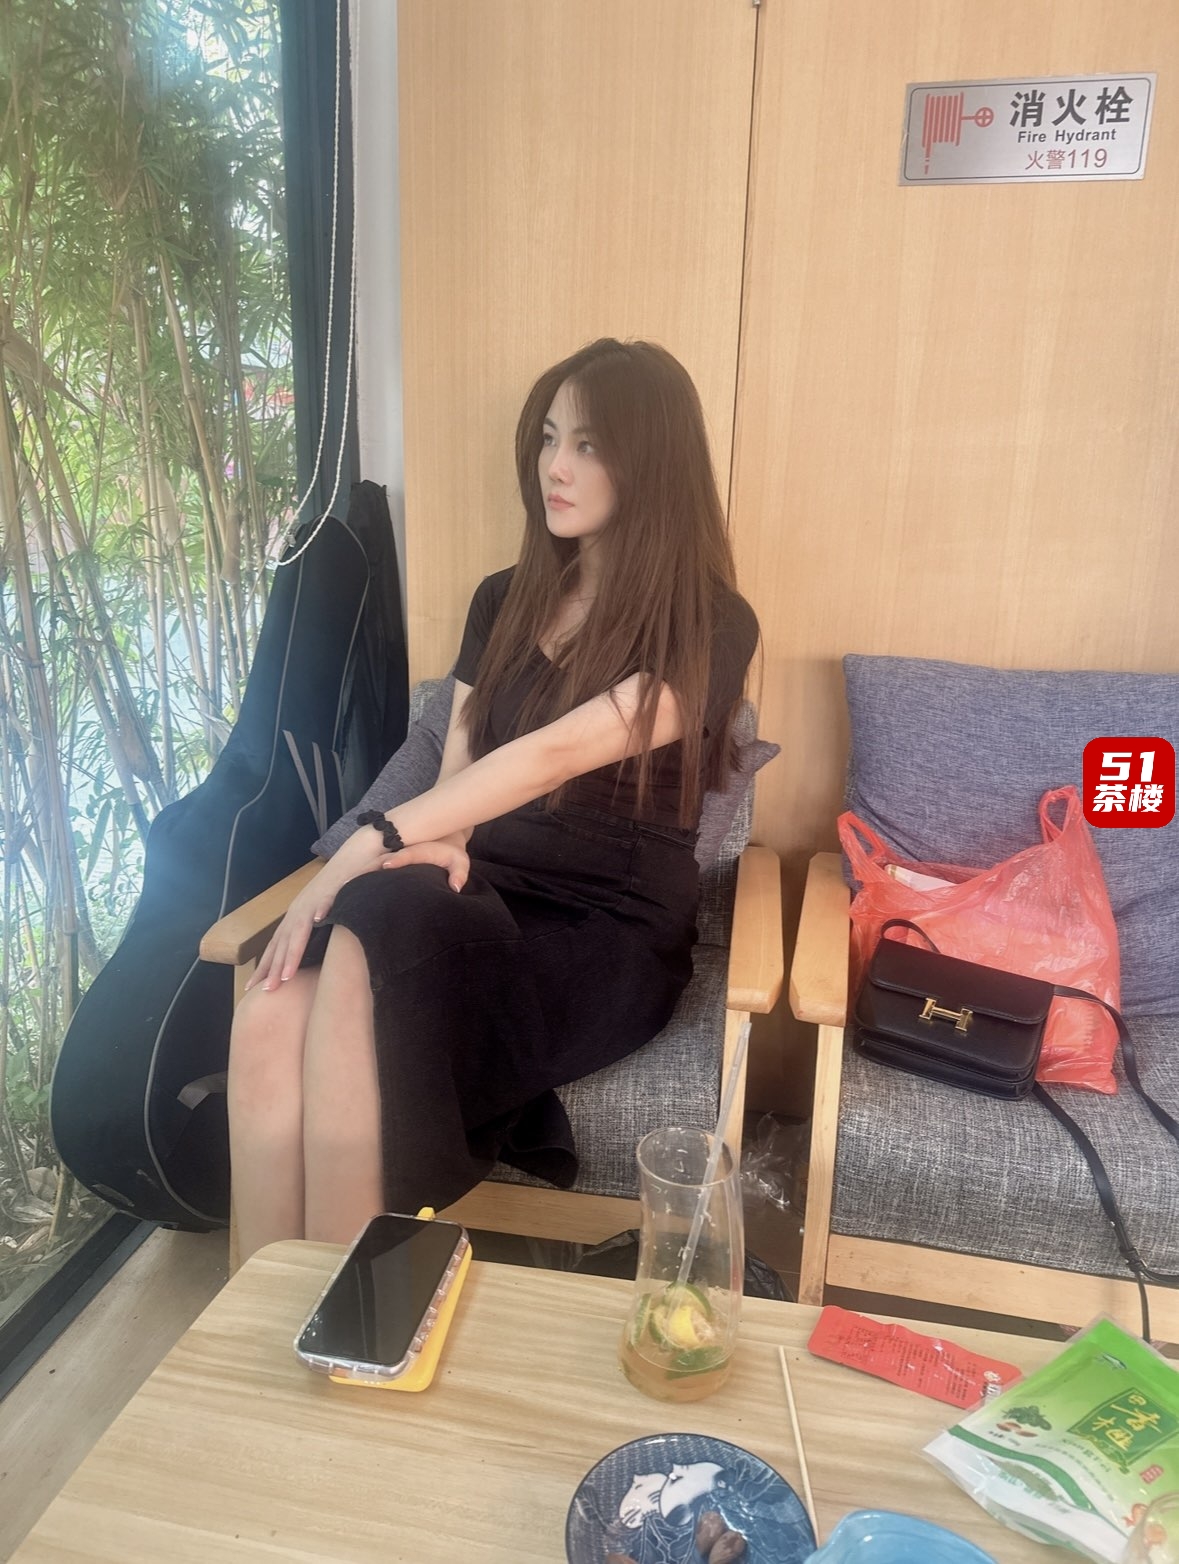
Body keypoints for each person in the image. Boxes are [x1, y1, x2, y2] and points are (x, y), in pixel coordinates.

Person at [227, 338, 759, 1262]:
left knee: (368, 921)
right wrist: (432, 841)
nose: (555, 467)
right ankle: (262, 1305)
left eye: (588, 444)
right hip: (492, 878)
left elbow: (555, 752)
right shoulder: (502, 598)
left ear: (651, 462)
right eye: (548, 438)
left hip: (608, 919)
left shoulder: (712, 620)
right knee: (272, 1003)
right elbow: (464, 760)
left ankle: (355, 1302)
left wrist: (364, 844)